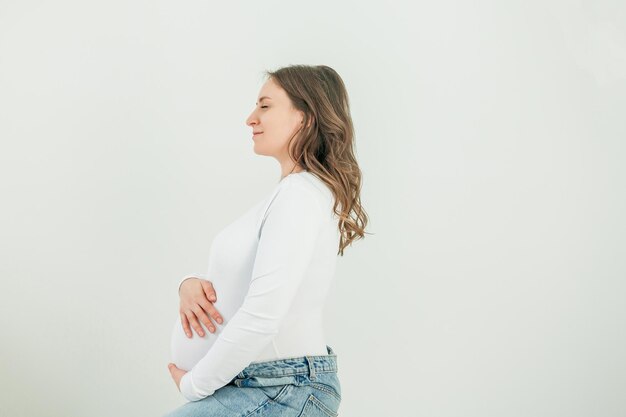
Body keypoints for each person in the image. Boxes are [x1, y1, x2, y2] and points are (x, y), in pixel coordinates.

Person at [163, 64, 369, 417]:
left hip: (282, 390)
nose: (250, 118)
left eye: (265, 105)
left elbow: (262, 315)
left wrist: (194, 384)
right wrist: (188, 284)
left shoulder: (299, 196)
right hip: (267, 386)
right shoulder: (289, 194)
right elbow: (243, 280)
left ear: (304, 118)